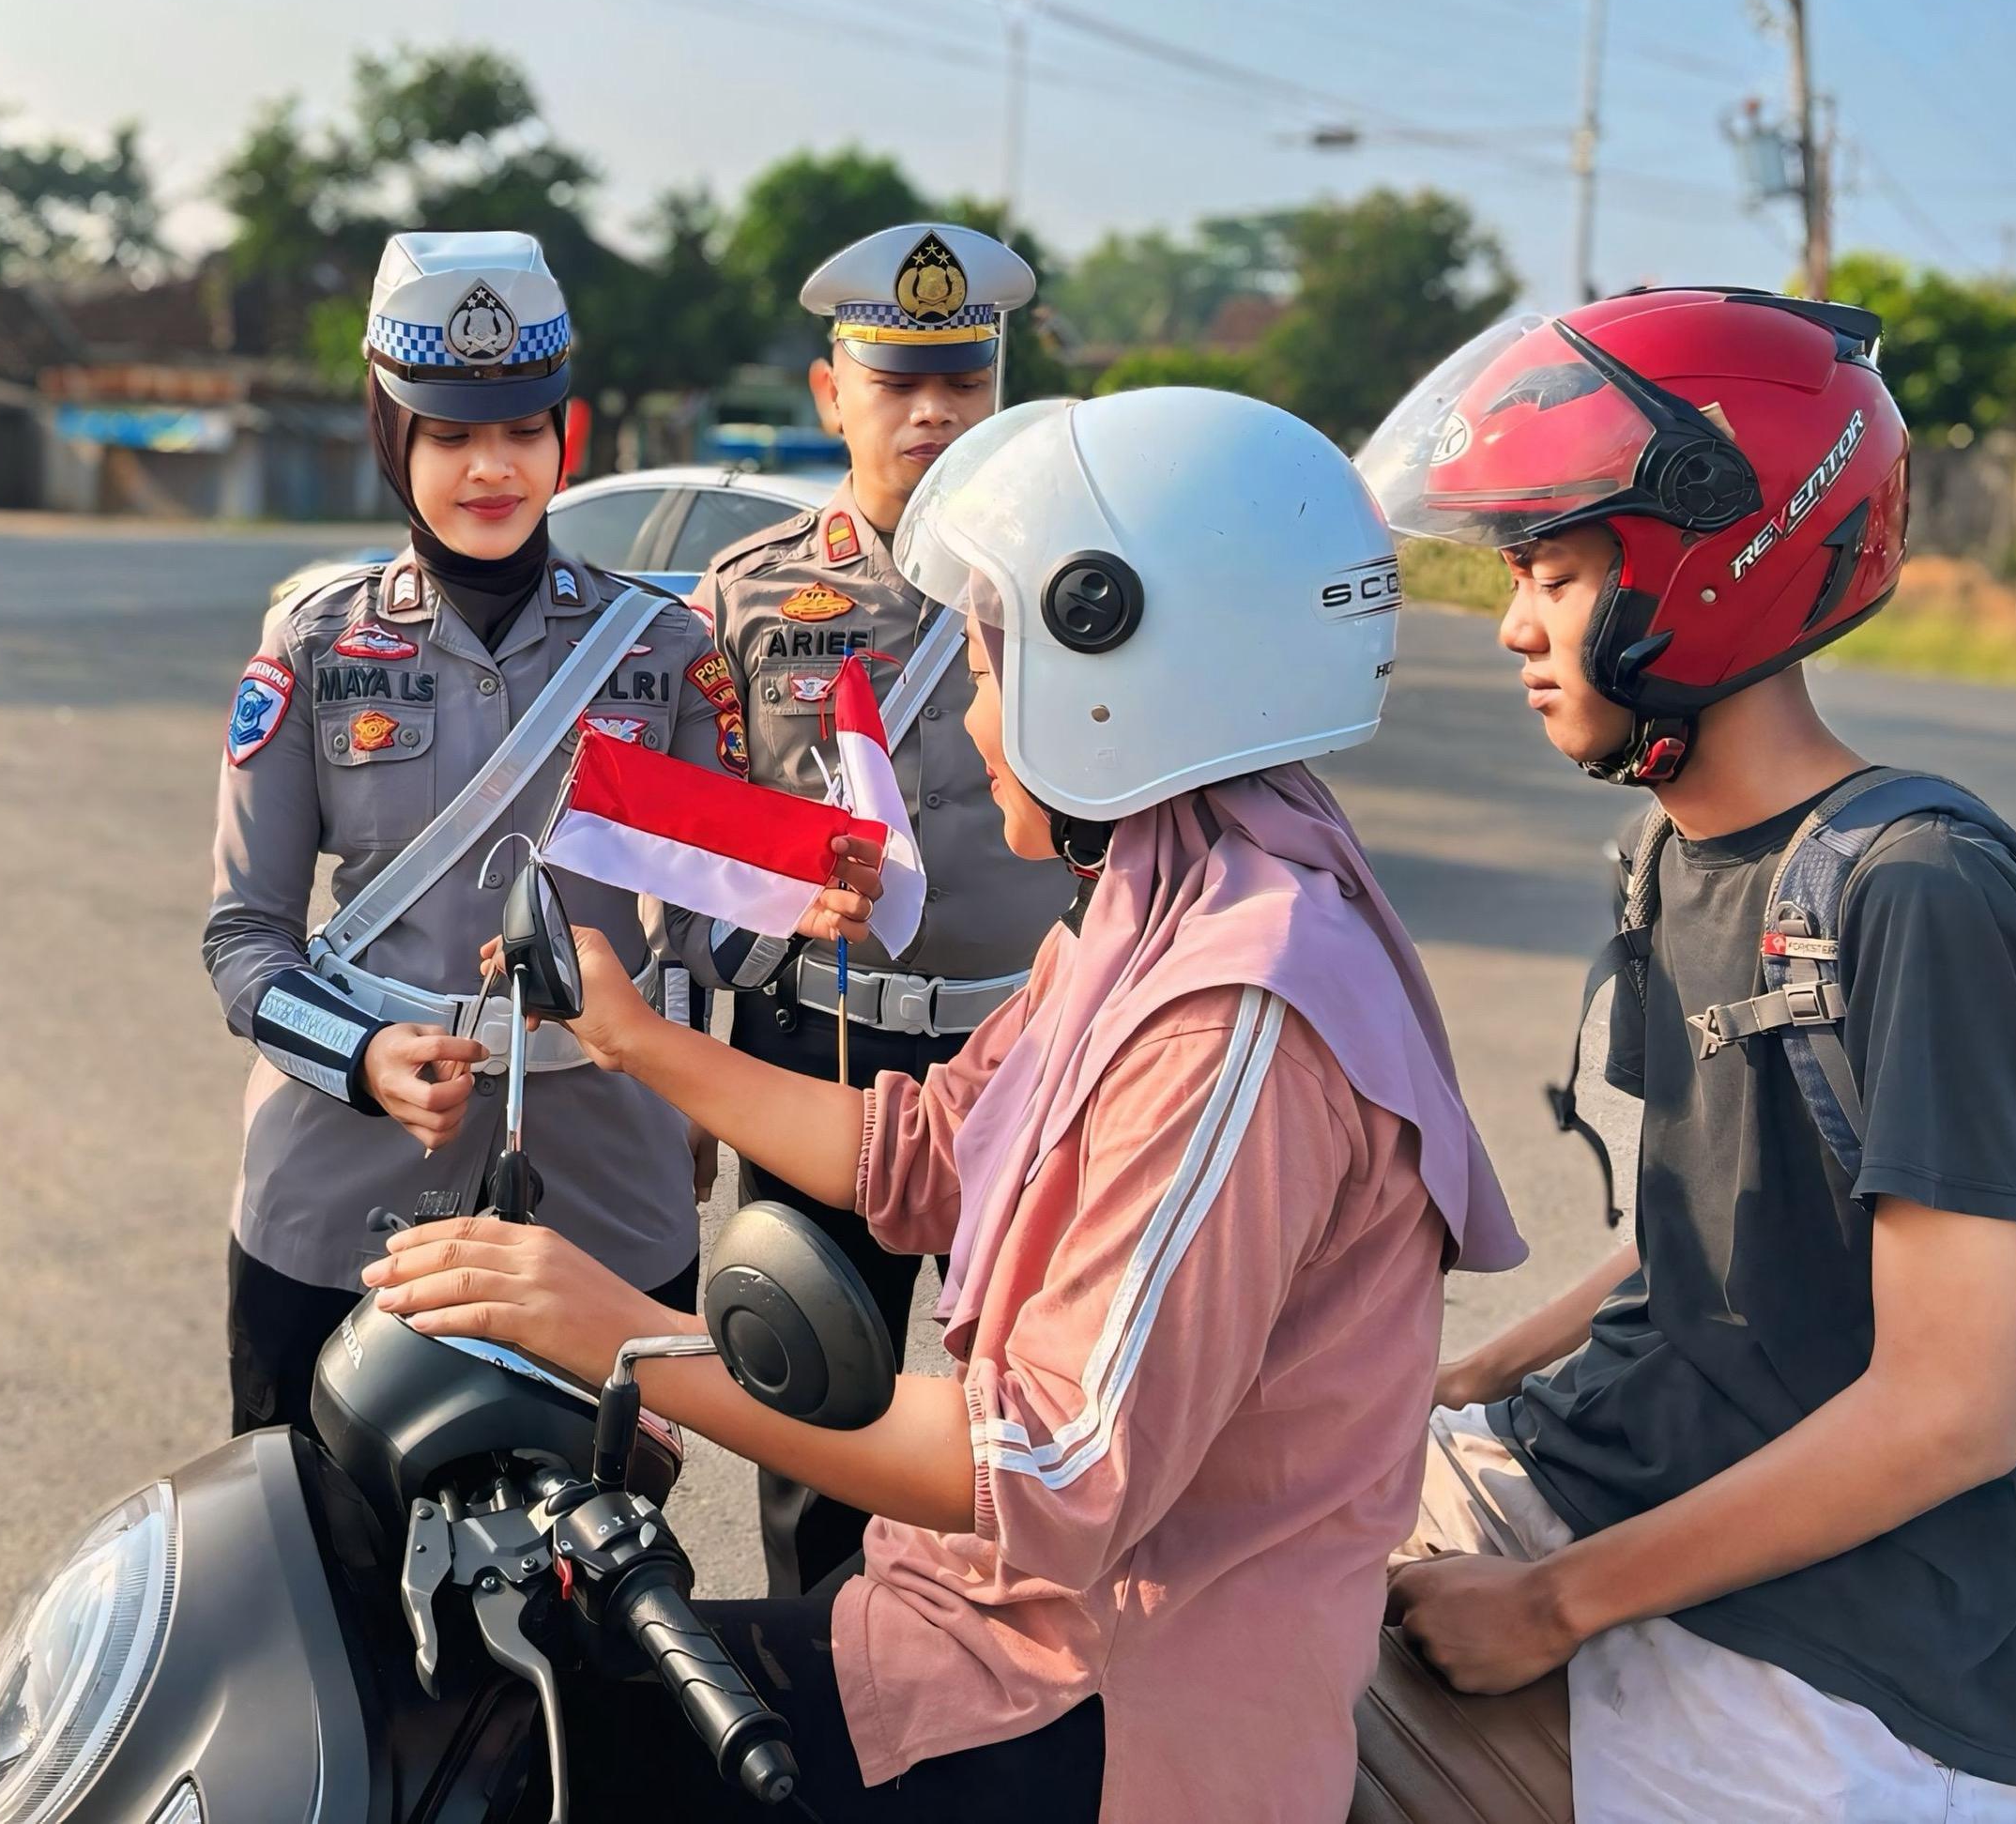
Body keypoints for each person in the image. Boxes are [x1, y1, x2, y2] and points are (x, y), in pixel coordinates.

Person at [364, 387, 1523, 1823]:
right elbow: (922, 1152)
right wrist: (631, 1036)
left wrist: (618, 1336)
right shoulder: (1148, 906)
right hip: (973, 1622)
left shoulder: (1240, 1013)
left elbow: (1052, 1470)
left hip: (1110, 1707)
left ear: (1129, 670)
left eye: (988, 658)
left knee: (496, 1770)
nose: (969, 710)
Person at [1364, 288, 2016, 1822]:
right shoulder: (1664, 854)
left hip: (1837, 1674)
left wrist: (1549, 1604)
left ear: (1703, 567)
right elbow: (1687, 1231)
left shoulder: (1907, 890)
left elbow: (1944, 1403)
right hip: (1612, 1474)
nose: (1510, 626)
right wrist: (1453, 1377)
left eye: (1550, 574)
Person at [206, 230, 813, 1434]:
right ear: (394, 432)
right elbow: (245, 943)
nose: (492, 467)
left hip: (605, 1195)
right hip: (344, 1192)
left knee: (600, 1568)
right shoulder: (316, 650)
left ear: (562, 434)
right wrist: (365, 1059)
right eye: (450, 434)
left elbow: (706, 943)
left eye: (523, 430)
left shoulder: (664, 652)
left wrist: (799, 896)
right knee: (324, 1564)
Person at [685, 217, 1073, 1592]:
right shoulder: (743, 599)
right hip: (819, 1050)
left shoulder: (1070, 590)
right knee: (811, 1421)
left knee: (1036, 1418)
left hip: (1028, 1056)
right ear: (828, 392)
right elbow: (691, 884)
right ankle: (823, 1710)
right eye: (894, 380)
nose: (930, 412)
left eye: (961, 380)